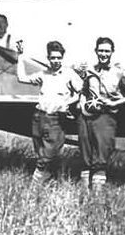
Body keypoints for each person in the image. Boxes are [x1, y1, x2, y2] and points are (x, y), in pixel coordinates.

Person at [77, 37, 125, 191]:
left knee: (101, 153)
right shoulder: (89, 71)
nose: (103, 54)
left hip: (106, 116)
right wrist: (81, 101)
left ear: (112, 52)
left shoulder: (120, 72)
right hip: (86, 115)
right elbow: (83, 90)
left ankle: (97, 194)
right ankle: (84, 191)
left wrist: (115, 103)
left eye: (107, 51)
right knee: (85, 149)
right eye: (100, 50)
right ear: (96, 51)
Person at [17, 41, 83, 183]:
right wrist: (20, 57)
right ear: (48, 58)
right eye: (53, 58)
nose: (56, 61)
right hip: (39, 116)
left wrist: (67, 102)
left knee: (49, 152)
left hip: (56, 118)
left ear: (62, 58)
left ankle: (36, 181)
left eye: (59, 58)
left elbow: (82, 92)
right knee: (40, 151)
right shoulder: (43, 74)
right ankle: (51, 178)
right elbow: (21, 78)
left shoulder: (69, 74)